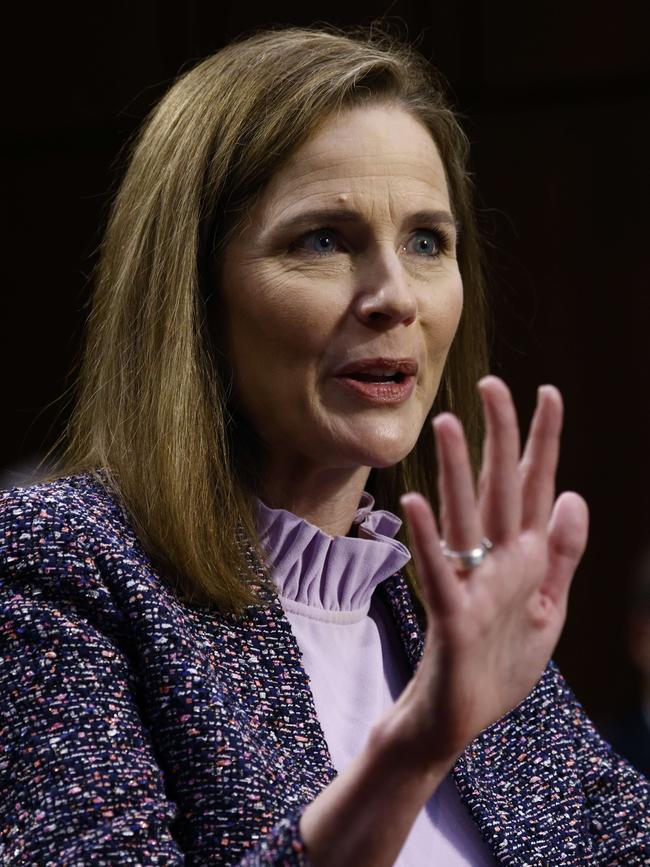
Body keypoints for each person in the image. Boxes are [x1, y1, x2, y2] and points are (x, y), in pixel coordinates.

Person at [0, 24, 648, 866]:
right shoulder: (58, 562)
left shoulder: (436, 603)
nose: (394, 296)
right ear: (193, 294)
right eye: (323, 240)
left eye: (426, 241)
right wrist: (413, 750)